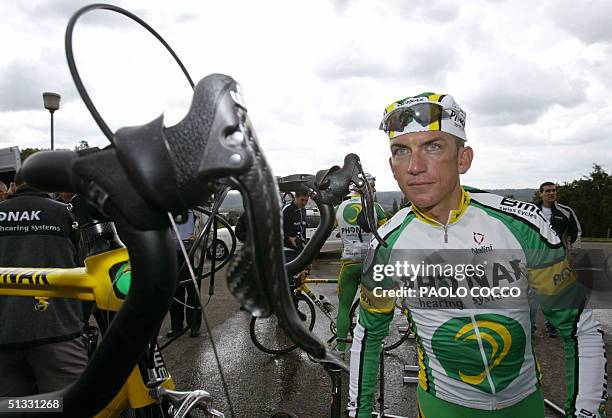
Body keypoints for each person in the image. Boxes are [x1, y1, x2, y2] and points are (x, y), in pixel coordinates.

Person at [348, 92, 607, 418]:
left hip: (523, 405)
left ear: (463, 159)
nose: (414, 166)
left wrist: (586, 412)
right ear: (392, 166)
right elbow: (368, 335)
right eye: (401, 151)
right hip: (442, 407)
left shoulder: (523, 226)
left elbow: (578, 328)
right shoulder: (387, 245)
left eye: (433, 146)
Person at [0, 172, 88, 396]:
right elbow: (87, 270)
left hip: (4, 336)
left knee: (16, 409)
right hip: (58, 331)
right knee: (69, 407)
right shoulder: (64, 213)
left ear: (13, 185)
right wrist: (80, 320)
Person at [333, 174, 387, 356]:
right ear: (364, 187)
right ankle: (370, 348)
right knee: (371, 308)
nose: (375, 190)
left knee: (343, 307)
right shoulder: (376, 207)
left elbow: (329, 230)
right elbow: (384, 235)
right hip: (370, 263)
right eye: (373, 186)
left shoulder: (339, 208)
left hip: (349, 262)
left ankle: (340, 350)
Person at [533, 181, 583, 337]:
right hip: (535, 259)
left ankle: (552, 324)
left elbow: (576, 233)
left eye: (553, 190)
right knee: (532, 294)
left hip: (558, 260)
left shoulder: (566, 212)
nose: (551, 193)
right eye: (547, 191)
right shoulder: (531, 211)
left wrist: (574, 254)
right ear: (540, 193)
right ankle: (531, 326)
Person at [167, 209, 201, 338]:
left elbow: (209, 235)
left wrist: (198, 238)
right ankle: (176, 326)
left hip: (191, 255)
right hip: (173, 256)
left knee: (193, 293)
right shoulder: (168, 209)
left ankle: (194, 326)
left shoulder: (199, 212)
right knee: (175, 293)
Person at [282, 192, 309, 263]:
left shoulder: (303, 210)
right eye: (302, 200)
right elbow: (276, 227)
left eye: (306, 200)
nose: (304, 203)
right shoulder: (286, 209)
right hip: (287, 249)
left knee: (302, 273)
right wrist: (288, 238)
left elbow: (303, 228)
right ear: (296, 197)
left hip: (300, 249)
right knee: (290, 272)